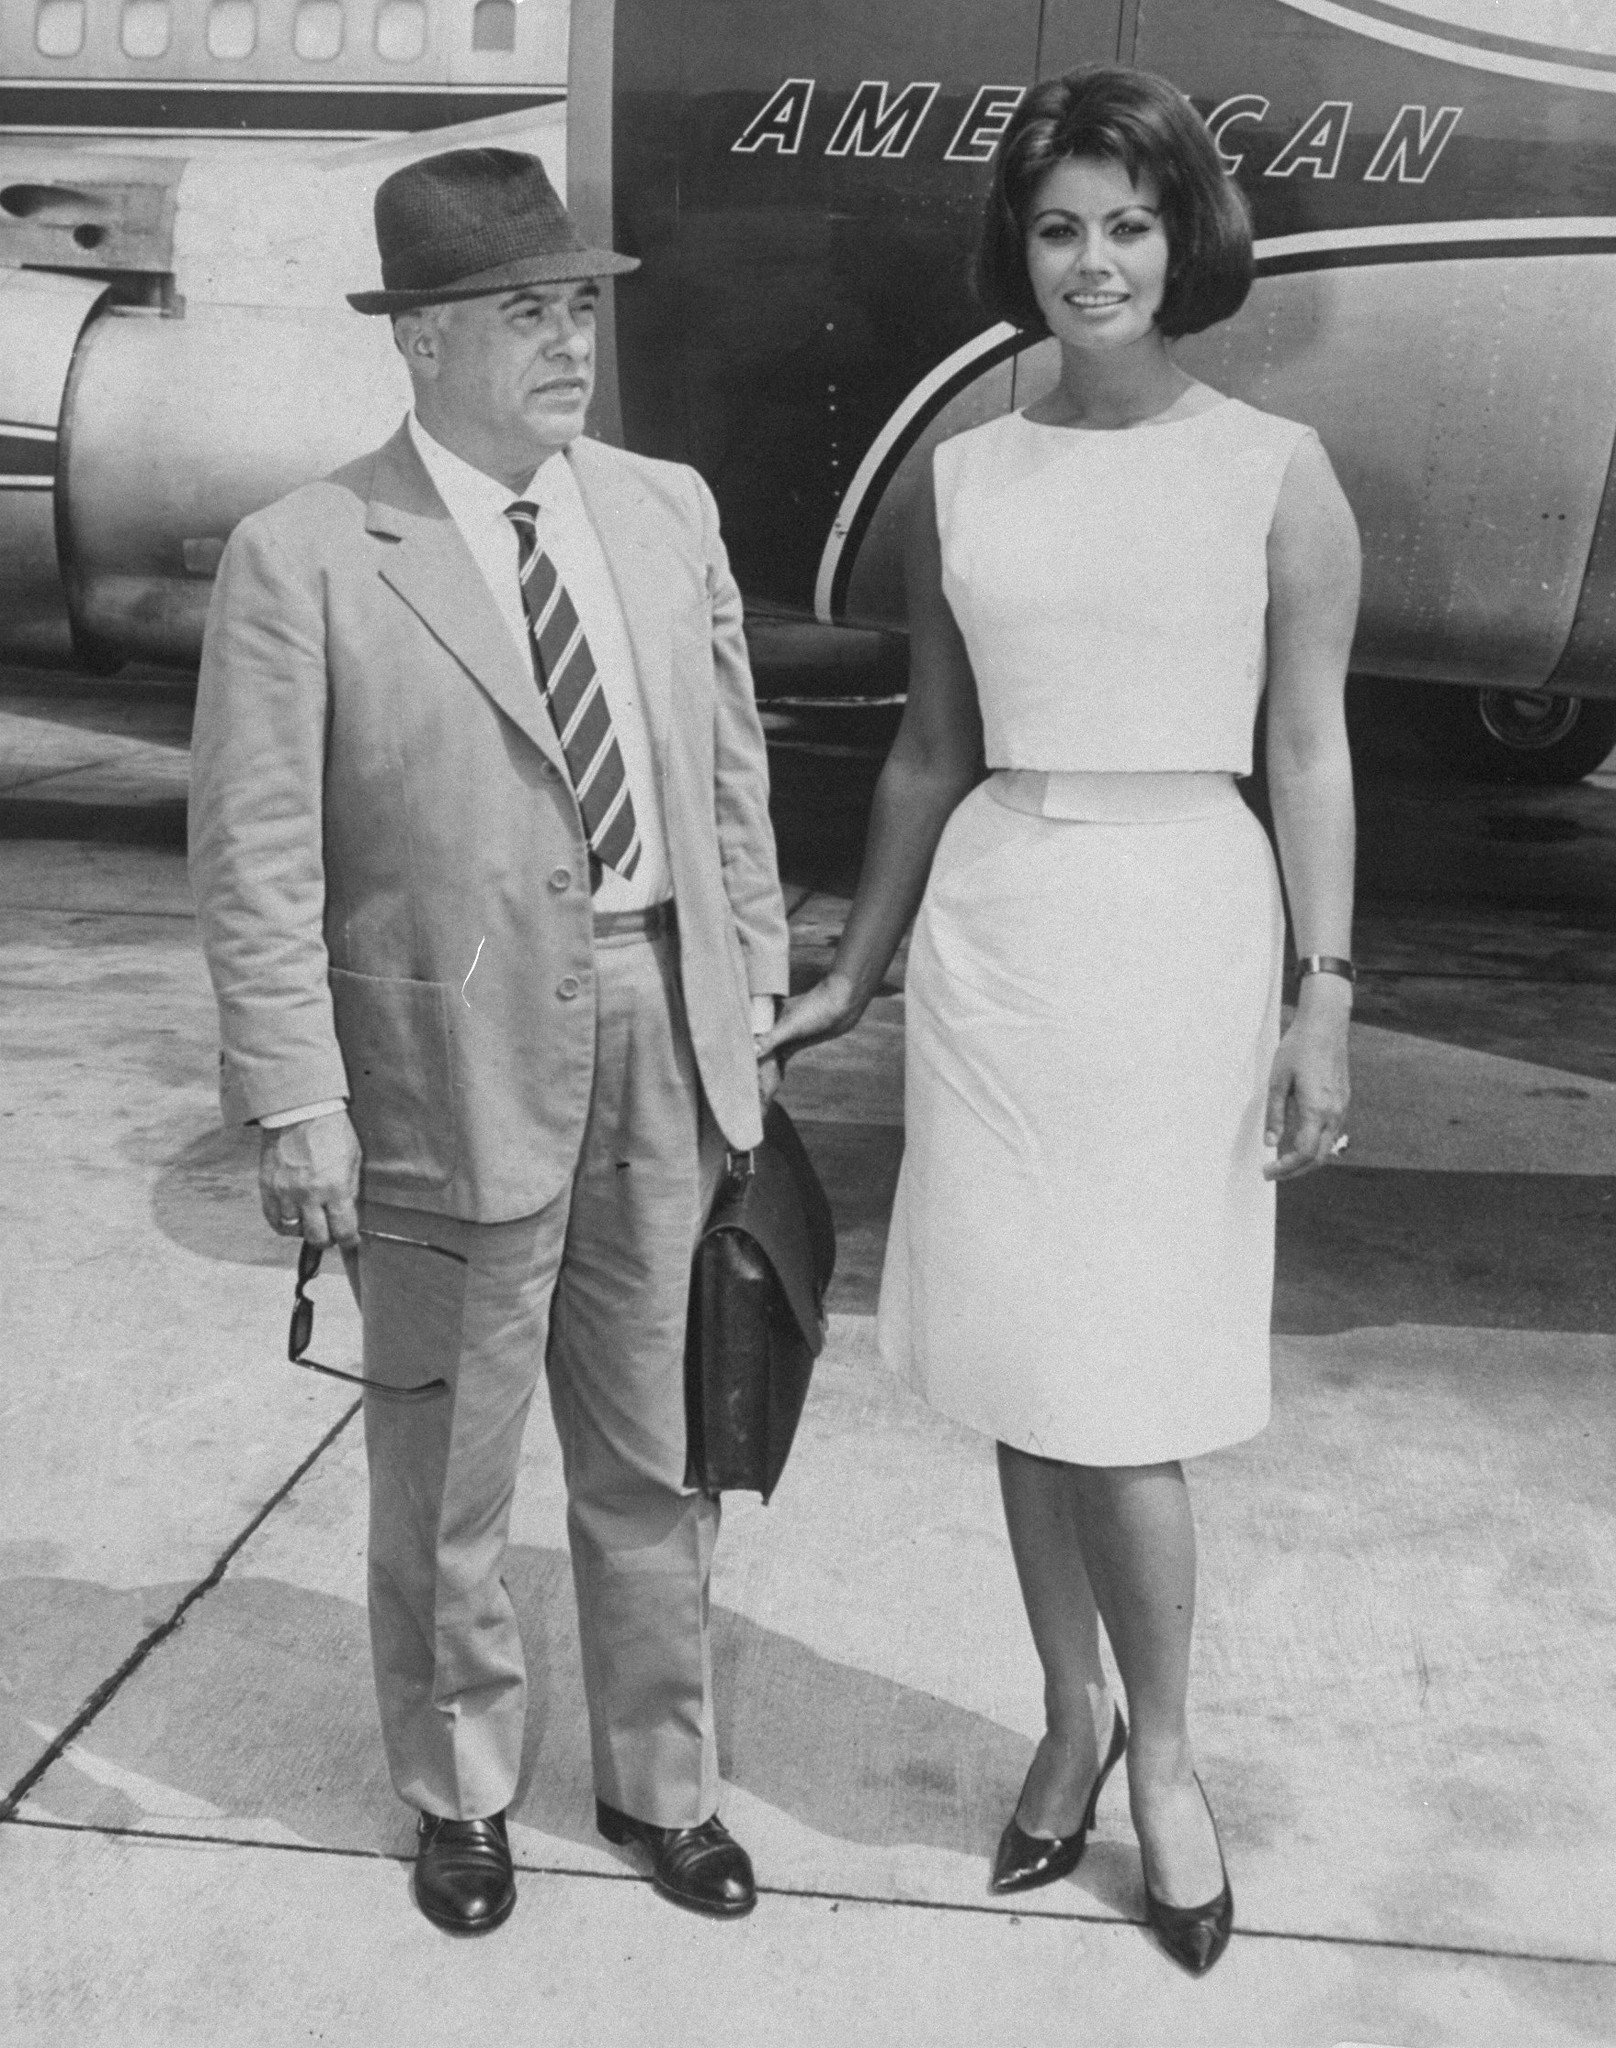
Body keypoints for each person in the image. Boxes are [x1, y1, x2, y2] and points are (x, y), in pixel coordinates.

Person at [761, 67, 1359, 1976]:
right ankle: (1069, 1716)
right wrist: (857, 965)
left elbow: (1310, 751)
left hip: (1183, 921)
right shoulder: (970, 471)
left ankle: (1168, 1760)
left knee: (1135, 1391)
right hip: (1001, 932)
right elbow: (933, 748)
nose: (1094, 261)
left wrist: (1323, 998)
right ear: (1016, 251)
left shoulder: (1278, 467)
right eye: (1057, 227)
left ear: (1186, 240)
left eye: (1127, 222)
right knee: (1024, 1364)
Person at [189, 149, 789, 1935]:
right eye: (526, 313)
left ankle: (660, 1787)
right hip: (434, 1074)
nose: (569, 343)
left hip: (660, 1031)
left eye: (580, 307)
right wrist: (297, 1100)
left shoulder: (667, 508)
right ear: (423, 342)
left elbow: (729, 771)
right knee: (448, 1475)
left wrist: (743, 980)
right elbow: (257, 858)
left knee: (661, 1452)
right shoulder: (302, 555)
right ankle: (460, 1794)